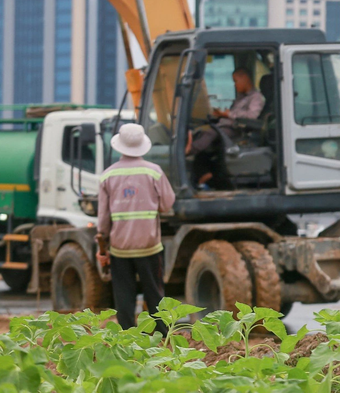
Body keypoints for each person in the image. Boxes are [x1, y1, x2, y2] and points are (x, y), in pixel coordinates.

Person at [97, 123, 175, 331]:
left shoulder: (107, 176)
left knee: (123, 295)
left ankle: (127, 337)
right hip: (149, 245)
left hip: (120, 247)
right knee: (155, 294)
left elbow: (103, 219)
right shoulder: (154, 172)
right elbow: (167, 204)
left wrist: (102, 245)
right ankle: (161, 337)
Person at [188, 67, 265, 188]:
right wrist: (220, 116)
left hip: (238, 129)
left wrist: (228, 114)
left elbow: (252, 116)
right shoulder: (241, 97)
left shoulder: (256, 97)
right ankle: (205, 174)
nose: (235, 85)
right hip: (227, 125)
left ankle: (189, 150)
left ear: (245, 79)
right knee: (203, 136)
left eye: (236, 81)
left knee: (211, 133)